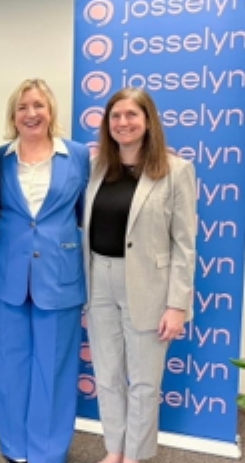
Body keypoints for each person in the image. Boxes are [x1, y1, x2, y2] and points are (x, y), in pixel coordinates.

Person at [83, 87, 196, 463]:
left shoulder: (176, 170)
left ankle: (136, 455)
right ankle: (114, 450)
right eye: (115, 116)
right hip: (100, 280)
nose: (123, 123)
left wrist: (177, 305)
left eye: (132, 115)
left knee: (145, 382)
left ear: (148, 121)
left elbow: (184, 244)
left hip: (149, 287)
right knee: (108, 375)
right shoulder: (98, 168)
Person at [0, 79, 89, 463]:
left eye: (38, 106)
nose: (31, 114)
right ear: (14, 115)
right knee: (10, 368)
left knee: (55, 369)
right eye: (23, 107)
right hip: (9, 277)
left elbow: (83, 218)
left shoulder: (77, 156)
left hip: (59, 278)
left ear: (51, 111)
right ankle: (14, 447)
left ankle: (47, 450)